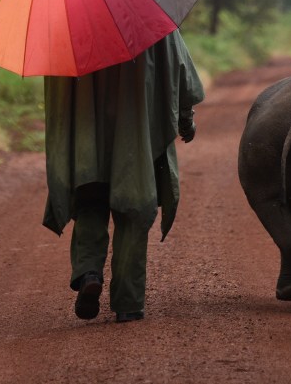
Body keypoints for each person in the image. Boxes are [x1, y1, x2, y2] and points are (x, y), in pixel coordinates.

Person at [42, 29, 204, 323]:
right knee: (134, 209)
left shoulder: (67, 22)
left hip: (88, 137)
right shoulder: (151, 13)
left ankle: (89, 271)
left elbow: (56, 84)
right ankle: (128, 302)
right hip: (137, 135)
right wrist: (185, 117)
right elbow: (180, 69)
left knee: (90, 200)